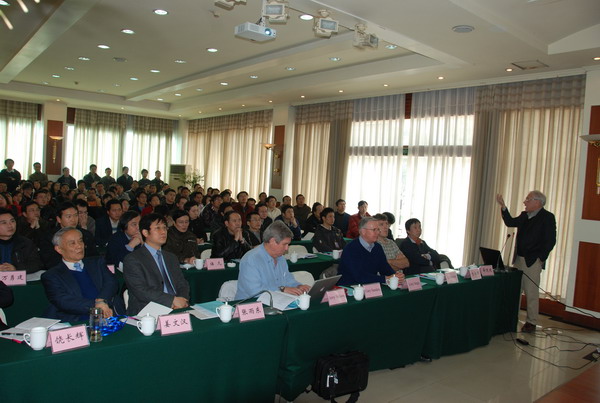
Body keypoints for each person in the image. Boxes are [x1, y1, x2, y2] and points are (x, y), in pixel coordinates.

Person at [496, 191, 556, 333]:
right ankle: (512, 318)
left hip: (532, 261)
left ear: (537, 202)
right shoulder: (524, 215)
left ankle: (531, 322)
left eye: (528, 199)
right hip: (519, 259)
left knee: (531, 292)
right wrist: (503, 207)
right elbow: (510, 222)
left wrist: (540, 258)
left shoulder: (547, 217)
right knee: (516, 290)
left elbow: (550, 241)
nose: (525, 202)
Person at [41, 227, 124, 322]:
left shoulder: (97, 263)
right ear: (59, 249)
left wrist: (102, 301)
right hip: (77, 319)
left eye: (80, 241)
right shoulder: (51, 275)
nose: (79, 246)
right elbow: (63, 301)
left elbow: (111, 283)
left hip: (108, 313)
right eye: (72, 243)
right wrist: (96, 306)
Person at [123, 213, 190, 315]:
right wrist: (172, 300)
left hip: (177, 307)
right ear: (145, 232)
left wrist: (182, 299)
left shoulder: (171, 257)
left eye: (164, 228)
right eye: (157, 228)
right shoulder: (133, 259)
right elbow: (141, 290)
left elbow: (182, 283)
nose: (163, 232)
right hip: (148, 311)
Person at [236, 221, 311, 299]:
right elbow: (255, 291)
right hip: (251, 304)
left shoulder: (280, 258)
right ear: (272, 241)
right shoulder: (251, 259)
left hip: (276, 301)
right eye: (284, 244)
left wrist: (298, 286)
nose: (286, 248)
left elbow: (288, 279)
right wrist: (282, 290)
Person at [338, 217, 404, 286]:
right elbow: (359, 276)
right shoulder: (351, 248)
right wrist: (386, 278)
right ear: (363, 231)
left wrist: (395, 276)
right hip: (349, 287)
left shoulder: (377, 247)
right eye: (374, 230)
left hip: (370, 286)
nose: (377, 232)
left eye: (378, 229)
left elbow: (385, 268)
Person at [39, 202, 99, 269]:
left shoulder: (86, 234)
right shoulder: (49, 237)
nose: (73, 220)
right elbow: (50, 262)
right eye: (69, 216)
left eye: (76, 215)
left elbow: (94, 257)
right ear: (59, 219)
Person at [0, 208, 43, 273]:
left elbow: (36, 264)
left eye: (12, 221)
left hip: (19, 277)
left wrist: (16, 268)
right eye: (4, 223)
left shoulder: (25, 243)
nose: (10, 225)